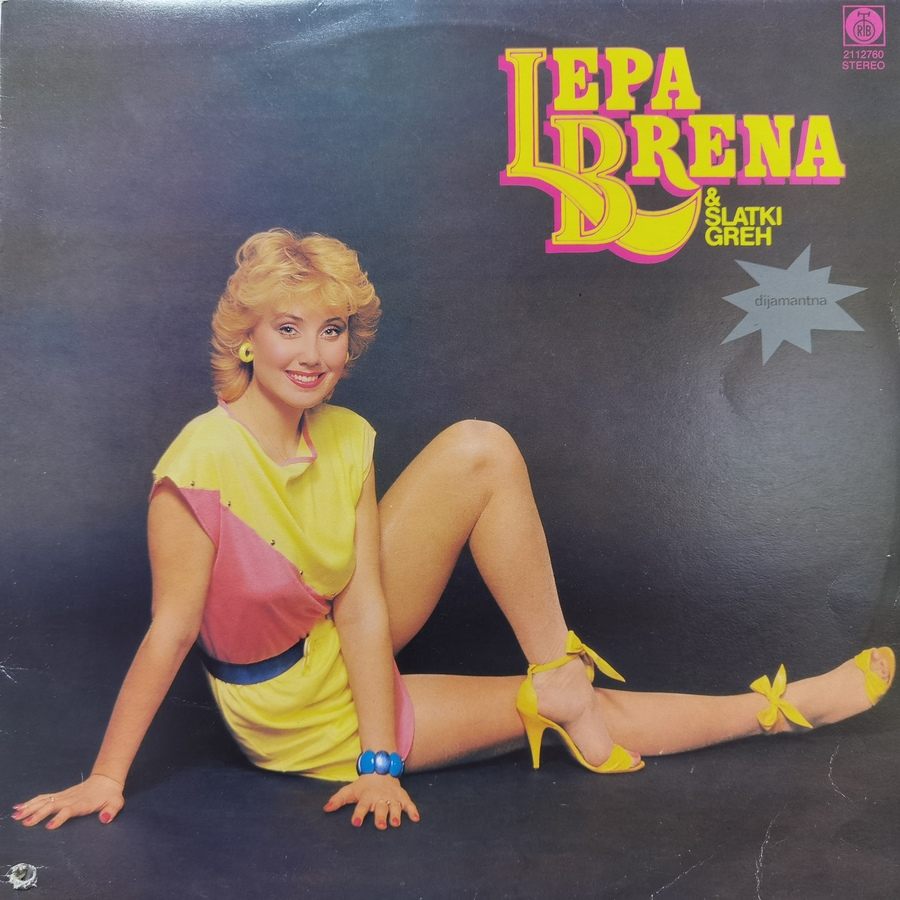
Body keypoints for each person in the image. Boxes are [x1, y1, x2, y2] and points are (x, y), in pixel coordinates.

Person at [14, 229, 895, 832]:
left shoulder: (346, 436)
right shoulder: (197, 467)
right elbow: (170, 634)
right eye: (288, 329)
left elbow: (362, 609)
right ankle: (779, 712)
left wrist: (382, 759)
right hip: (291, 713)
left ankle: (562, 676)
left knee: (481, 447)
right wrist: (106, 777)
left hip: (339, 642)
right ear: (245, 340)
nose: (314, 353)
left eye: (332, 330)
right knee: (554, 714)